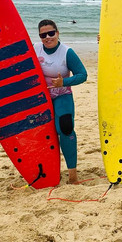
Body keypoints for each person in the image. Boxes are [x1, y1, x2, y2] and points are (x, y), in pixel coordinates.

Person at [34, 20, 87, 184]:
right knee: (42, 132)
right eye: (43, 35)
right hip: (41, 97)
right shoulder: (35, 48)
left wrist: (64, 82)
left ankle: (72, 176)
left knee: (65, 128)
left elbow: (82, 75)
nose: (47, 37)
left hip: (62, 95)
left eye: (51, 33)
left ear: (57, 33)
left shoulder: (66, 52)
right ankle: (46, 172)